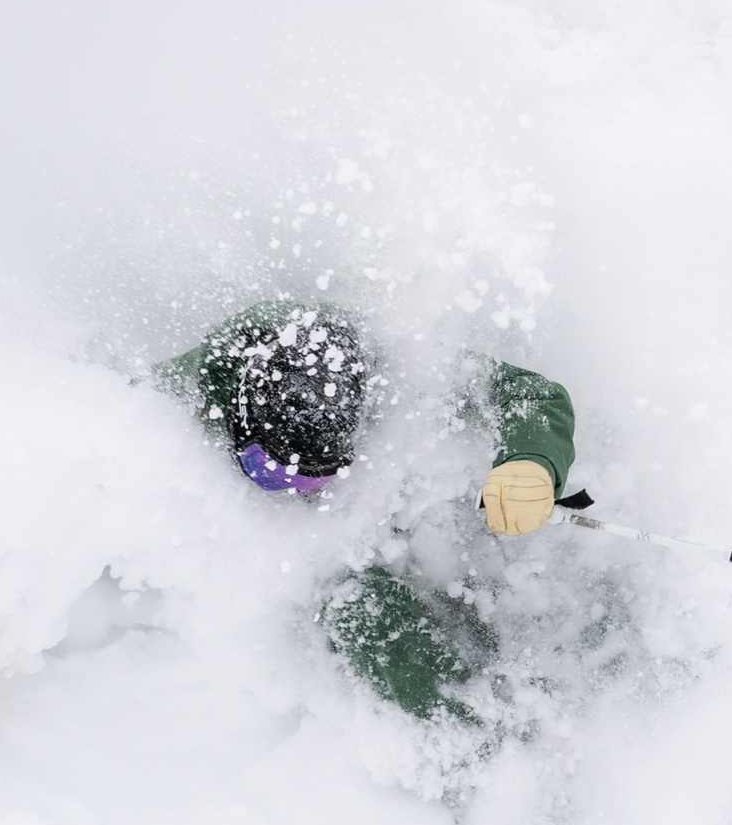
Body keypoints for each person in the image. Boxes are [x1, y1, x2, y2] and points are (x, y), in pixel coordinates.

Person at [155, 303, 580, 719]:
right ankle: (467, 741)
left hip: (411, 521)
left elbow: (528, 394)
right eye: (268, 472)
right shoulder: (197, 383)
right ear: (238, 420)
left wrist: (531, 460)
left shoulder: (398, 365)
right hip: (317, 575)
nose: (298, 494)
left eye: (315, 480)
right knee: (356, 607)